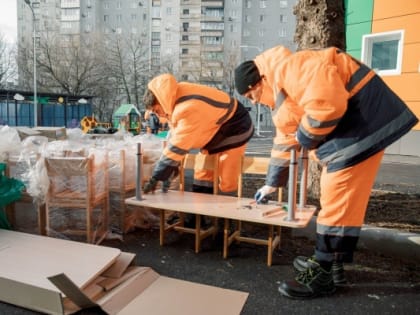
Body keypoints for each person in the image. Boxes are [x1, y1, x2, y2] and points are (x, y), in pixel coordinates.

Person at [234, 45, 418, 299]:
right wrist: (271, 183)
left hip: (361, 129)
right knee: (336, 202)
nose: (255, 102)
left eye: (253, 96)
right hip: (353, 134)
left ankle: (321, 275)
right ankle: (332, 265)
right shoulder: (282, 91)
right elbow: (284, 138)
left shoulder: (290, 69)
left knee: (336, 204)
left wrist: (305, 137)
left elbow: (327, 105)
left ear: (261, 80)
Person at [142, 73, 254, 196]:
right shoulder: (174, 98)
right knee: (203, 172)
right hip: (215, 128)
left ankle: (227, 209)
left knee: (227, 176)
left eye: (157, 111)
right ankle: (199, 211)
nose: (159, 115)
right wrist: (171, 168)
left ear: (161, 101)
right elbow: (177, 140)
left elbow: (179, 144)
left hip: (236, 125)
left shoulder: (187, 108)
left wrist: (158, 175)